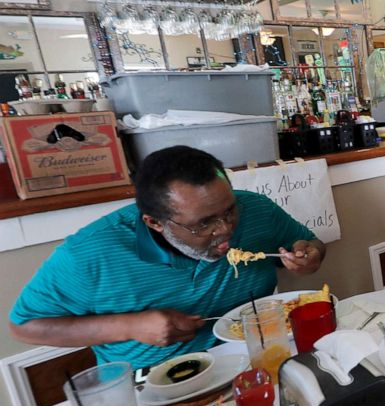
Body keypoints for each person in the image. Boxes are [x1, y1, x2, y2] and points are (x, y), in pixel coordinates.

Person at [8, 146, 325, 367]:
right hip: (156, 380)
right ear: (154, 222)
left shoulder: (256, 209)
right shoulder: (88, 255)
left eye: (229, 211)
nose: (225, 229)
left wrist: (309, 255)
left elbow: (310, 244)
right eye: (204, 224)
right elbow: (25, 327)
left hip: (261, 354)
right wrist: (131, 326)